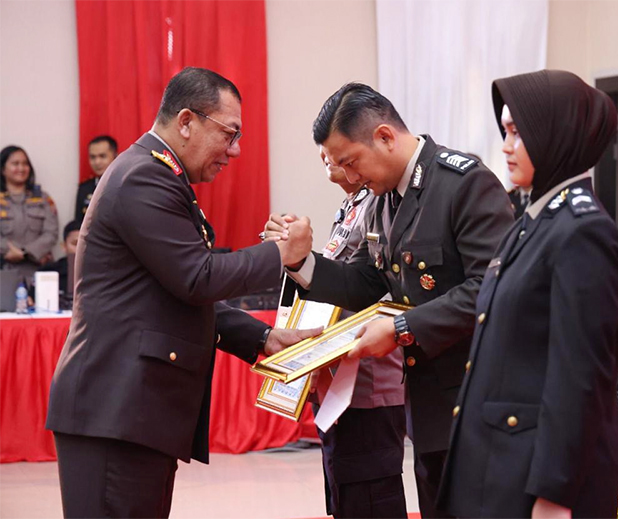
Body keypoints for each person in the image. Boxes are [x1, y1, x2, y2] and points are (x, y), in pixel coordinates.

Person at [46, 67, 317, 518]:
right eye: (229, 134)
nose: (235, 150)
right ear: (187, 121)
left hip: (131, 412)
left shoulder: (160, 175)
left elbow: (179, 290)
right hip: (115, 412)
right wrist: (281, 253)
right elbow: (198, 277)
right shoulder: (143, 177)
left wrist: (263, 339)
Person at [269, 82, 515, 517]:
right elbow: (363, 281)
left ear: (384, 137)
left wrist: (403, 328)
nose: (347, 177)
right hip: (429, 411)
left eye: (349, 162)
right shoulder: (385, 199)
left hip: (476, 404)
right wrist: (301, 262)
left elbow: (490, 289)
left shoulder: (463, 182)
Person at [436, 70, 618, 519]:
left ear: (554, 134)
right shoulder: (531, 222)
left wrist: (554, 494)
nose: (505, 146)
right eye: (505, 132)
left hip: (536, 485)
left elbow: (580, 378)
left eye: (518, 132)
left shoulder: (583, 232)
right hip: (499, 469)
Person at [316, 157, 407, 518]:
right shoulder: (352, 203)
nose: (329, 163)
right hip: (340, 378)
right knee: (346, 492)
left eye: (337, 155)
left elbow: (373, 287)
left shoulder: (381, 202)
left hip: (369, 381)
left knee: (370, 497)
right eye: (323, 156)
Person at [0, 145, 59, 285]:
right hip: (4, 268)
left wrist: (25, 253)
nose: (21, 168)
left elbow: (51, 233)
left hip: (38, 270)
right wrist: (8, 250)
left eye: (25, 164)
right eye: (15, 164)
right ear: (3, 169)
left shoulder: (43, 198)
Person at [75, 135, 118, 221]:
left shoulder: (124, 184)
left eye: (102, 156)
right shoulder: (84, 188)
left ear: (115, 156)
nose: (97, 162)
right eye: (93, 157)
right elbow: (79, 221)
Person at [37, 219, 80, 294]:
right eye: (75, 244)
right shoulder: (48, 272)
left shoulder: (100, 274)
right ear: (64, 246)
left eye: (85, 244)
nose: (80, 249)